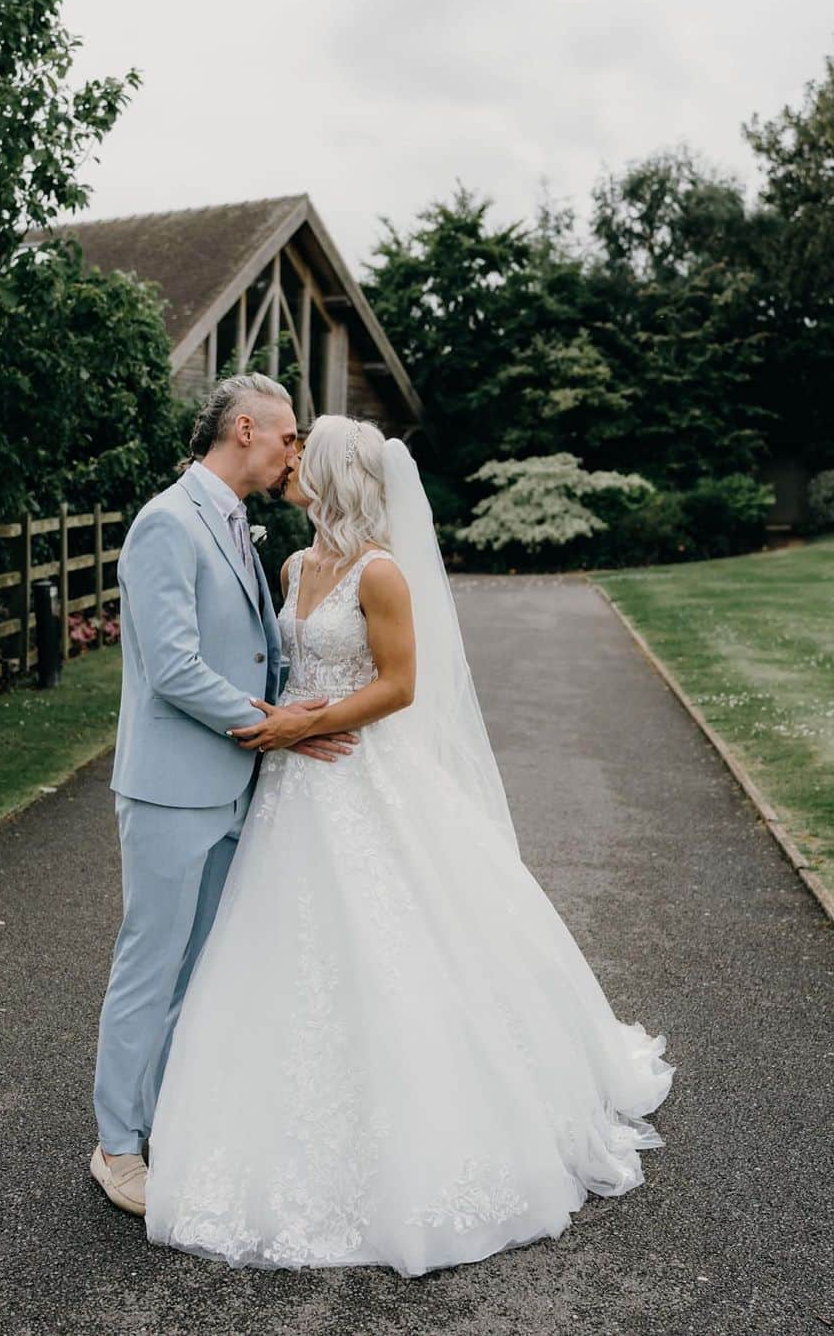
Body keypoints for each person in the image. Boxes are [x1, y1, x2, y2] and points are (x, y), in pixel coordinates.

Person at [142, 415, 675, 1276]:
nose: (289, 466)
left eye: (301, 459)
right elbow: (278, 666)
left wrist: (297, 724)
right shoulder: (291, 565)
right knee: (278, 952)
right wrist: (274, 723)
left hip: (359, 776)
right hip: (291, 792)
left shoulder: (381, 573)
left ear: (333, 476)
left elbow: (398, 685)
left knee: (393, 943)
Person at [90, 375, 360, 1216]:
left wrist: (302, 704)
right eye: (287, 436)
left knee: (197, 969)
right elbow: (172, 668)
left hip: (234, 786)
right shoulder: (166, 523)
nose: (294, 453)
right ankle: (115, 1146)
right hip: (173, 789)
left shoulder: (238, 525)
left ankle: (168, 1118)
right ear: (245, 428)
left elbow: (248, 650)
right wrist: (273, 722)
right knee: (149, 965)